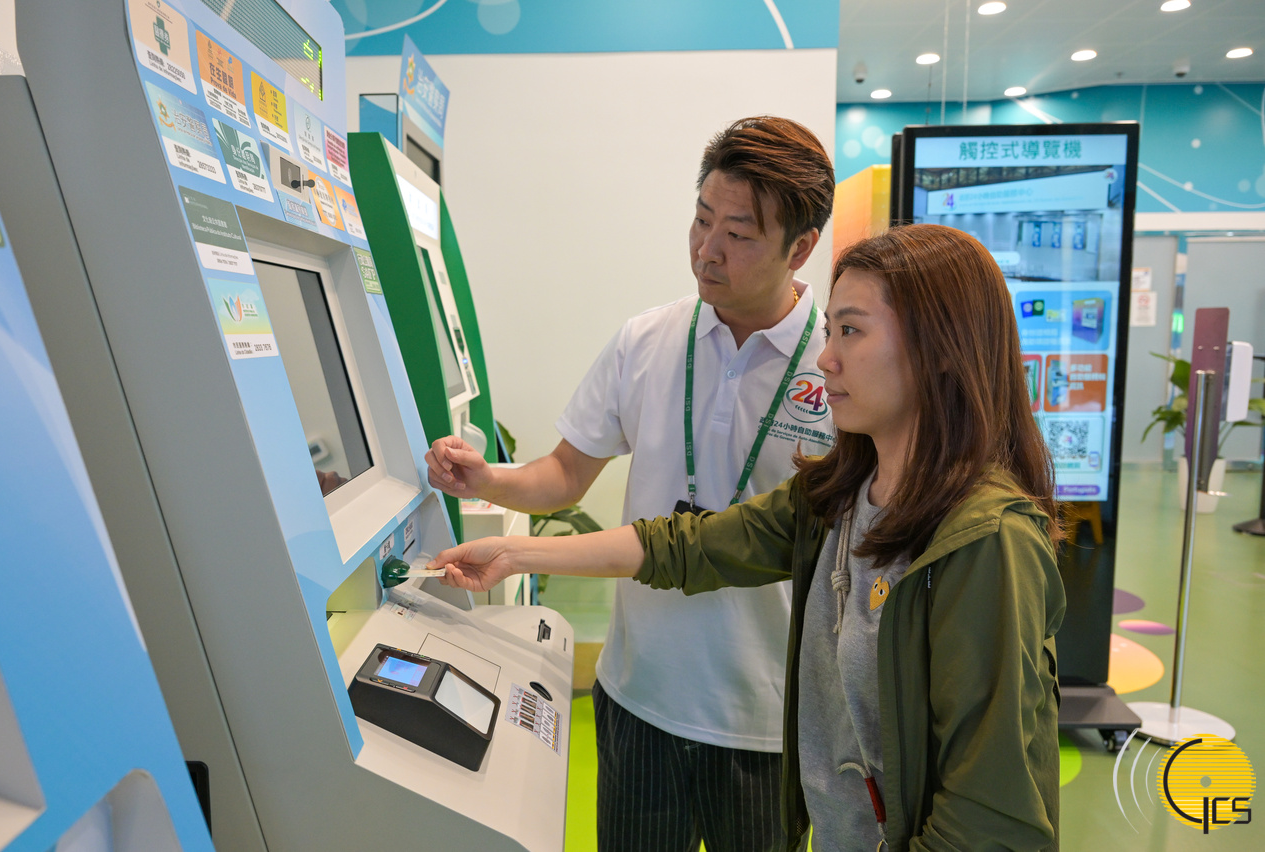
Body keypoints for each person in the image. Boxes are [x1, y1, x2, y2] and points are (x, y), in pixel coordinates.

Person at [429, 224, 1066, 852]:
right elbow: (691, 545)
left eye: (851, 331)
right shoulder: (843, 495)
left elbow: (987, 821)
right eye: (830, 332)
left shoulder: (985, 542)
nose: (827, 359)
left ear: (940, 348)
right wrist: (512, 554)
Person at [425, 116, 835, 852]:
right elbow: (564, 475)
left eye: (738, 234)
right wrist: (487, 479)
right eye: (701, 220)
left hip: (768, 721)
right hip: (639, 698)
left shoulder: (834, 368)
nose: (707, 250)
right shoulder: (647, 339)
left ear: (800, 248)